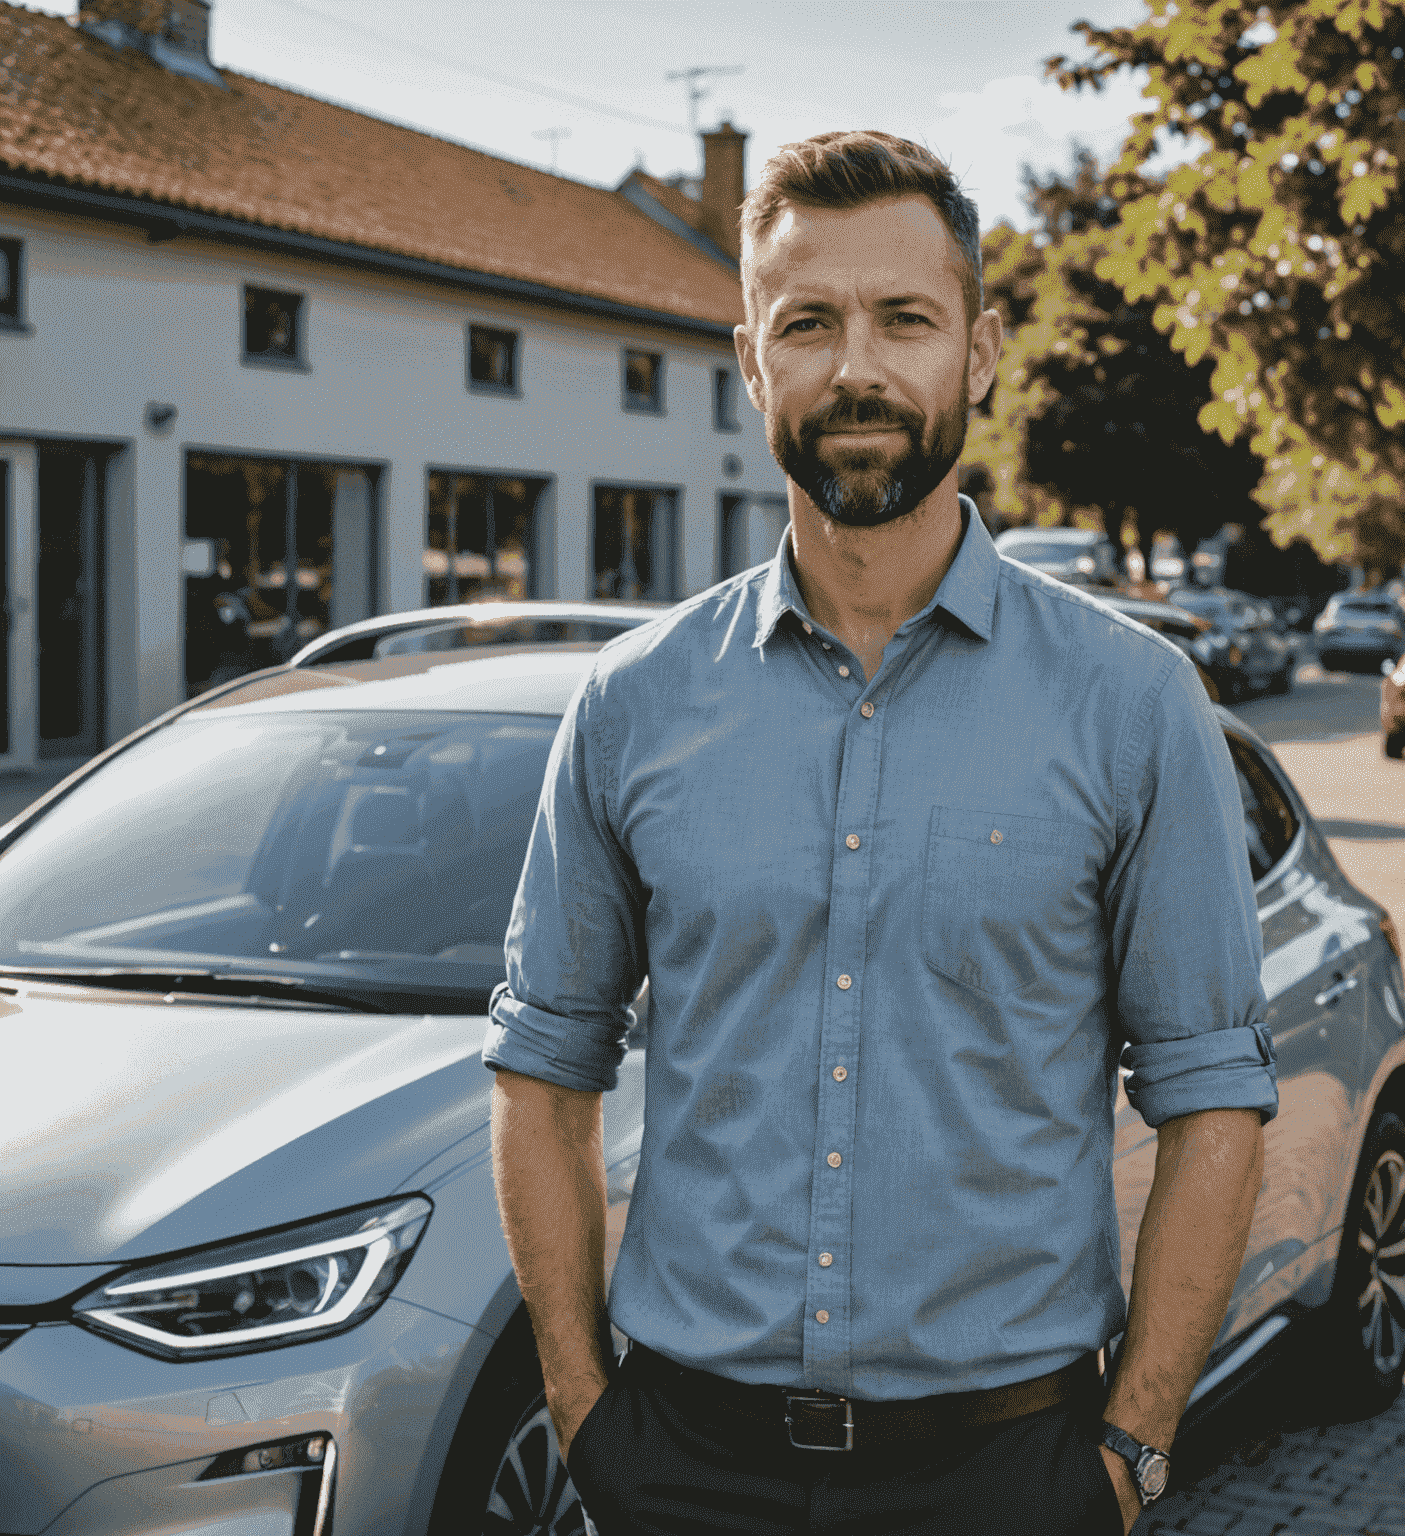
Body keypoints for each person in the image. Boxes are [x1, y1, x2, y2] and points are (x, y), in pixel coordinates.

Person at [484, 130, 1278, 1536]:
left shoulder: (1133, 702)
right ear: (752, 363)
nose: (857, 367)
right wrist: (584, 1414)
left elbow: (1212, 1096)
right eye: (810, 323)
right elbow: (544, 1070)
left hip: (1009, 1479)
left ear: (976, 354)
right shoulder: (631, 706)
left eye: (905, 318)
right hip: (678, 1467)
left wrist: (1135, 1459)